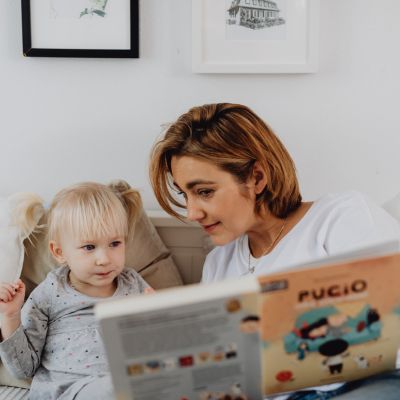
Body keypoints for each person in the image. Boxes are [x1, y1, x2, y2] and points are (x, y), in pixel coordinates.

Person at [149, 103, 400, 399]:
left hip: (364, 384)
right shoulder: (219, 263)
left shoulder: (340, 217)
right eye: (184, 194)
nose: (192, 212)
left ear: (256, 178)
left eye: (204, 192)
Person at [0, 181, 151, 400]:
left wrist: (158, 316)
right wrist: (11, 316)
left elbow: (158, 344)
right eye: (89, 247)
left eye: (115, 243)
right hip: (67, 390)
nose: (104, 259)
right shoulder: (50, 293)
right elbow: (23, 369)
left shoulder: (133, 284)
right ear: (59, 252)